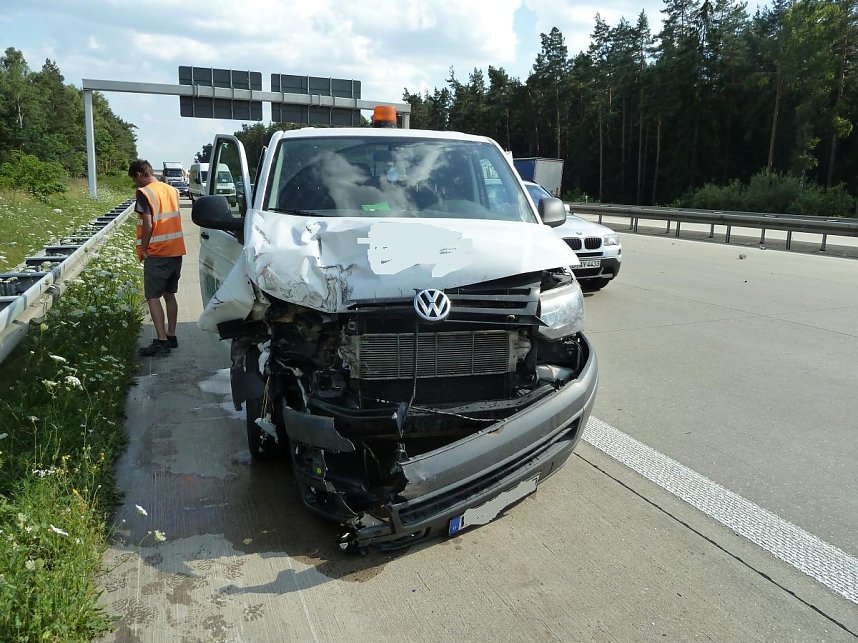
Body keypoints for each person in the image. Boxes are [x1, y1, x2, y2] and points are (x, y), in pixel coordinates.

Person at [128, 159, 186, 356]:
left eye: (135, 179)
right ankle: (171, 335)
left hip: (158, 251)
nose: (136, 184)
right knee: (170, 295)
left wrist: (143, 248)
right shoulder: (172, 190)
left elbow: (148, 224)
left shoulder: (144, 193)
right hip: (176, 250)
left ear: (138, 174)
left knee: (152, 296)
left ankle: (161, 341)